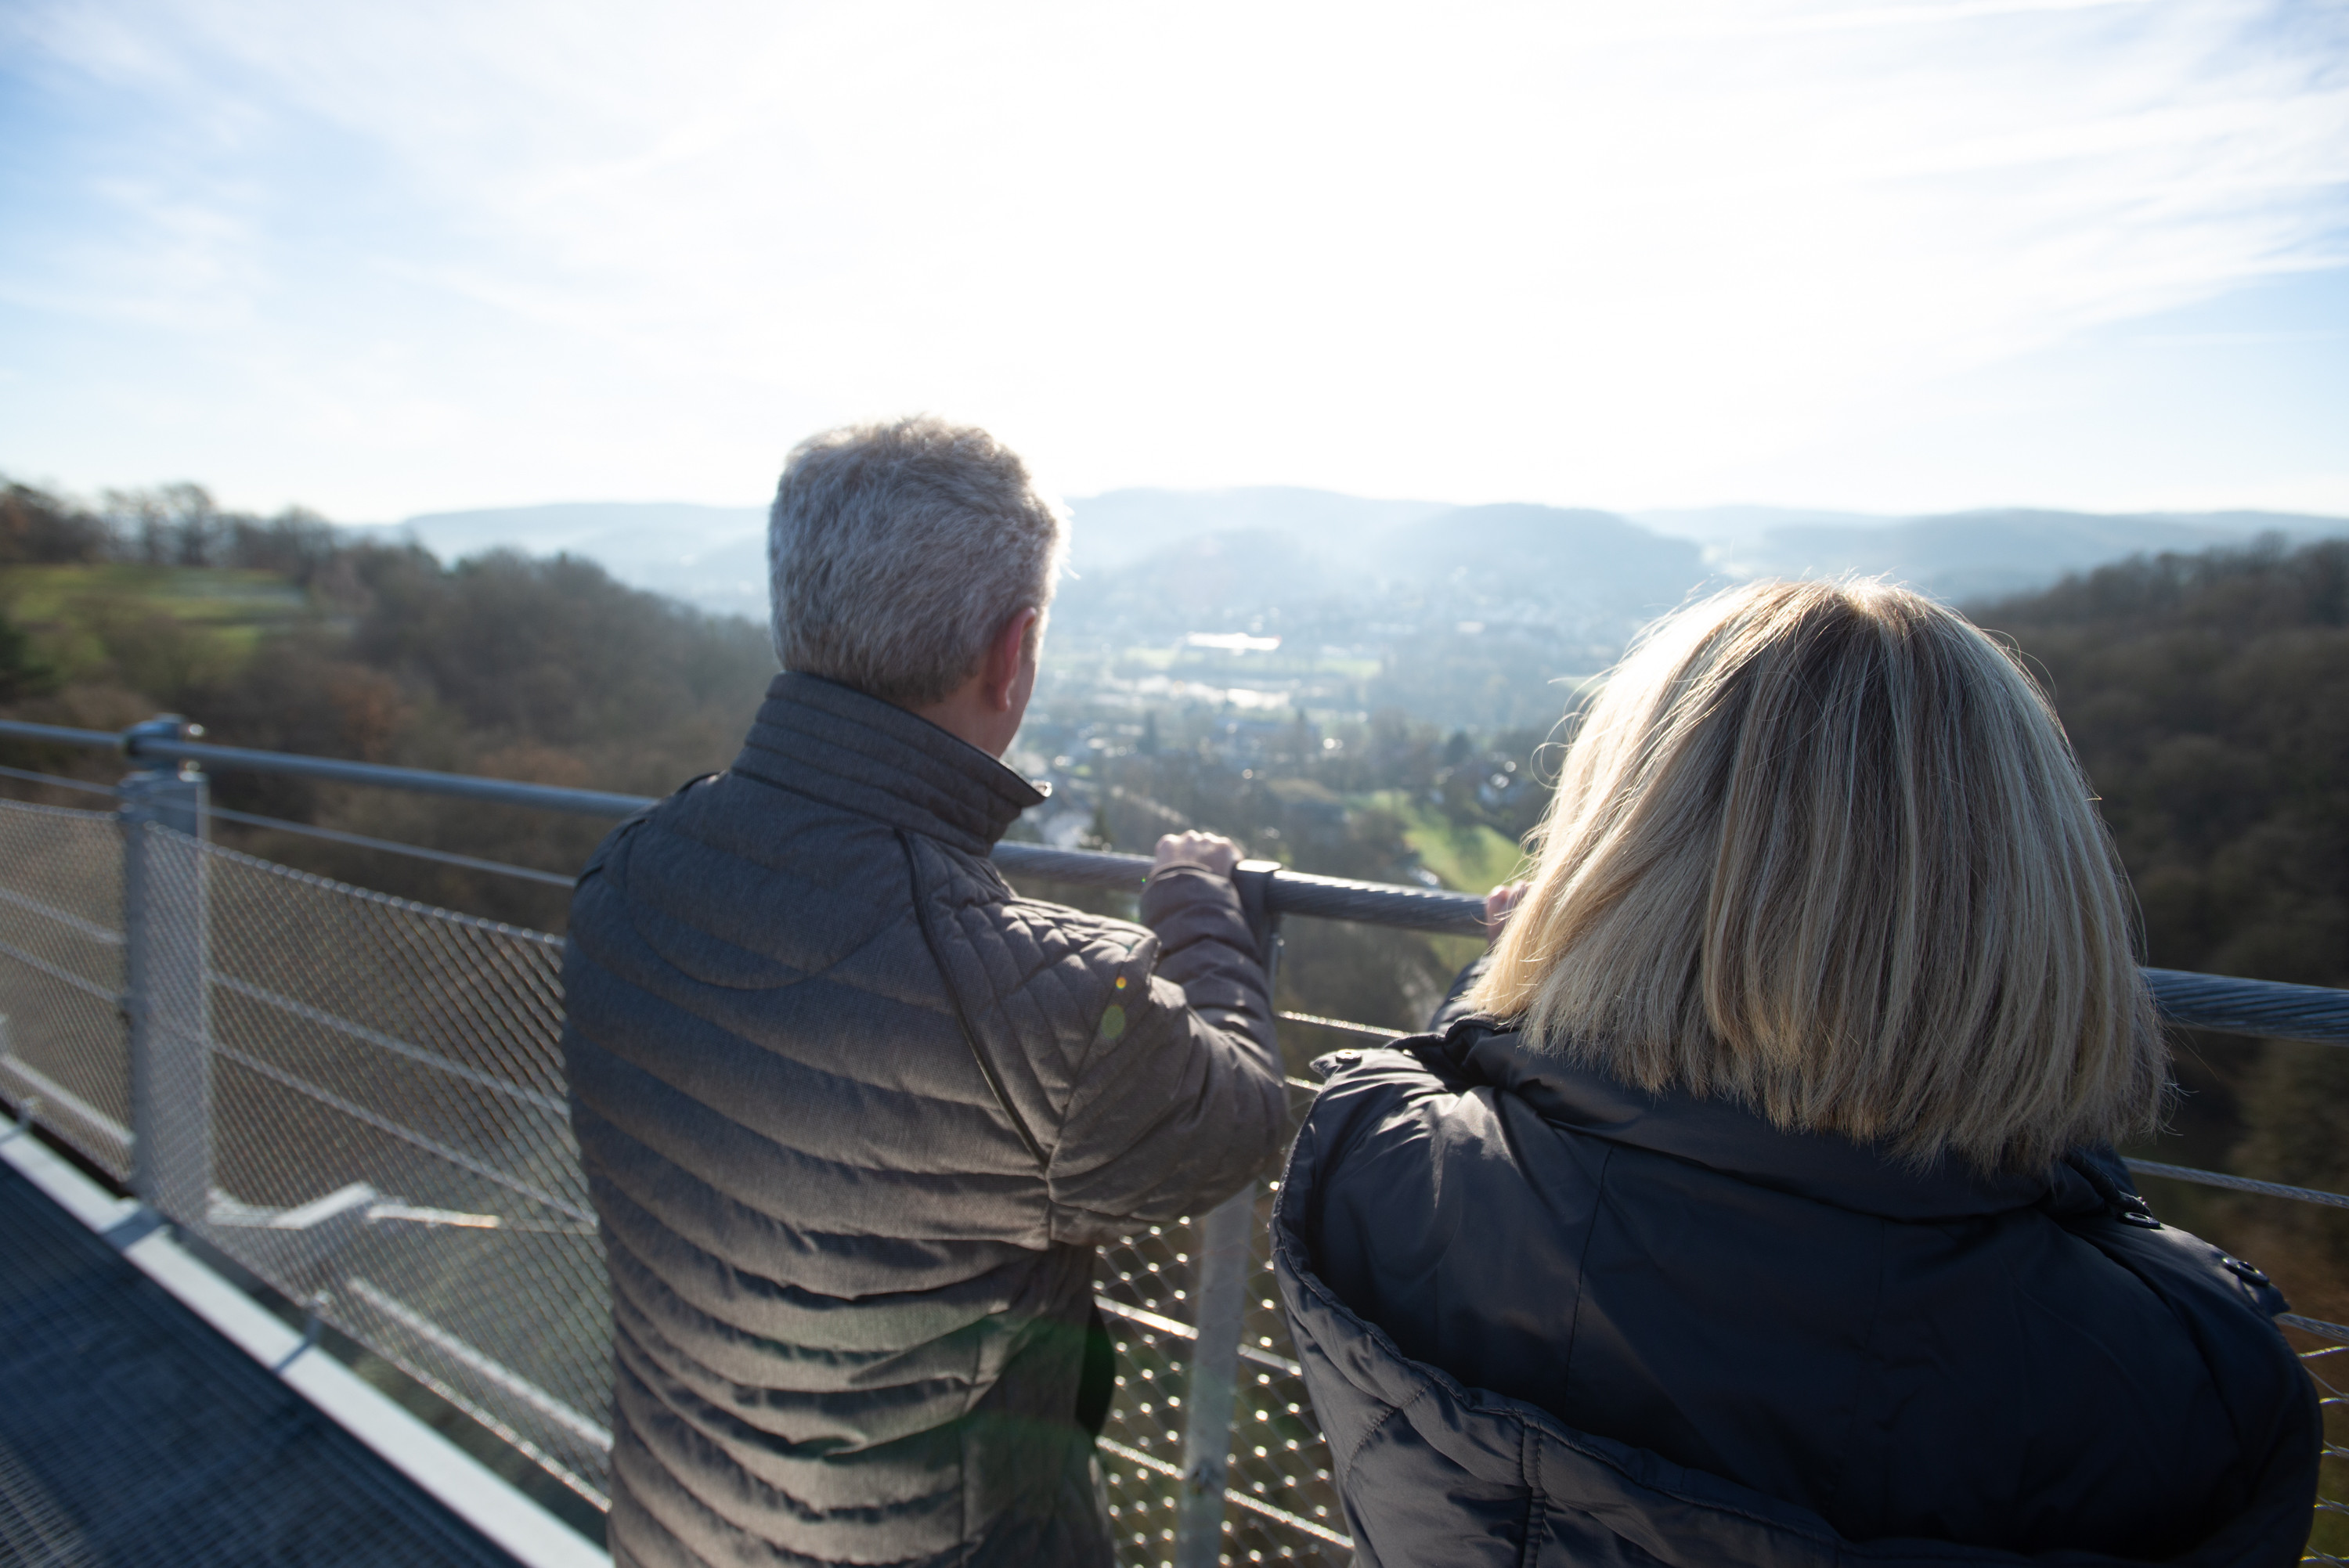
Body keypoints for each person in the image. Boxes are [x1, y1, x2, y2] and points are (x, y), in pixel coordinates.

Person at [1274, 579, 2320, 1566]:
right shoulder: (2192, 1389)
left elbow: (1466, 1081)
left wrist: (1531, 975)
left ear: (1617, 851)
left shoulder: (1375, 1163)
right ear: (2036, 896)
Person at [562, 417, 1288, 1568]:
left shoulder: (625, 880)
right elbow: (1238, 1118)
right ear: (1015, 651)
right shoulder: (1051, 1004)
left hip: (678, 1529)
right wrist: (1201, 907)